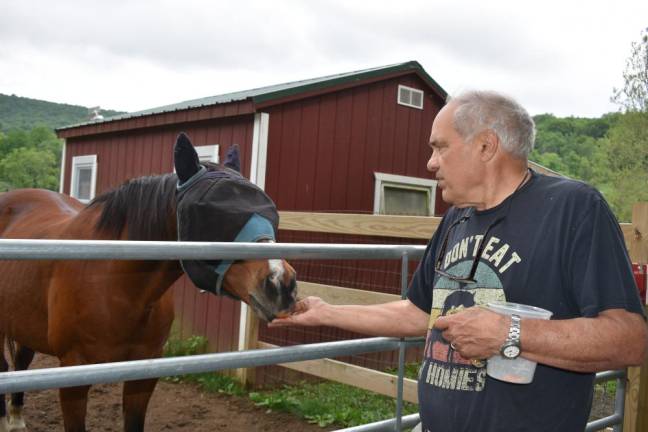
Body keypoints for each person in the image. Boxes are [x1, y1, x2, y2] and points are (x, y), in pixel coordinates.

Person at [270, 90, 648, 431]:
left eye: (440, 147)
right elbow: (420, 313)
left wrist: (509, 335)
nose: (430, 163)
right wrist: (327, 312)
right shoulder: (458, 217)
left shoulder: (574, 208)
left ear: (485, 146)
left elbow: (630, 339)